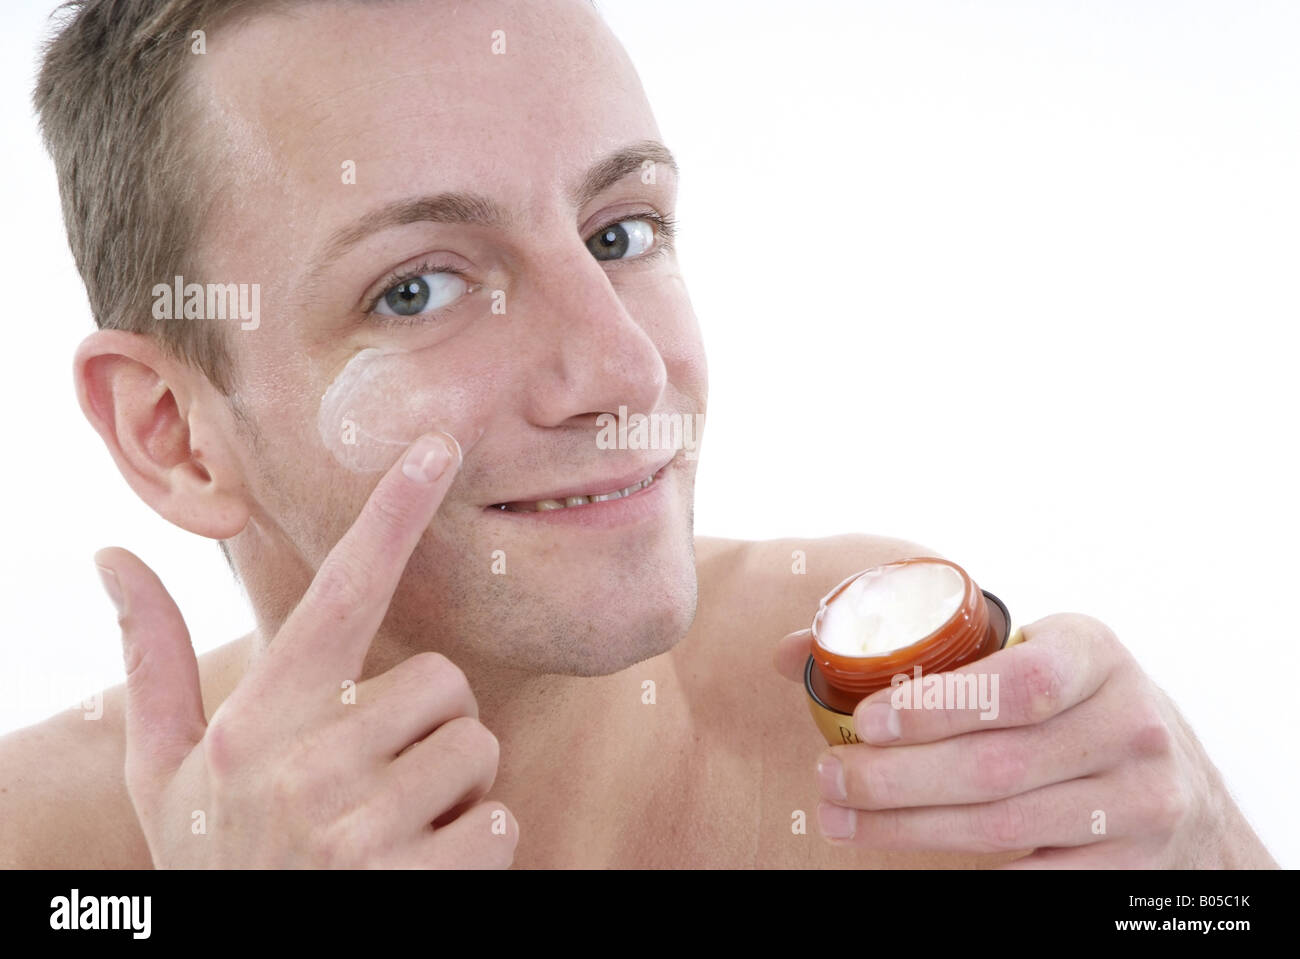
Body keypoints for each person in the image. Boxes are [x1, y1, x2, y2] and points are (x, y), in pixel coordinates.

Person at [0, 0, 1276, 869]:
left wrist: (1207, 860)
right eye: (418, 288)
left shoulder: (888, 726)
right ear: (173, 434)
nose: (624, 366)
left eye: (621, 233)